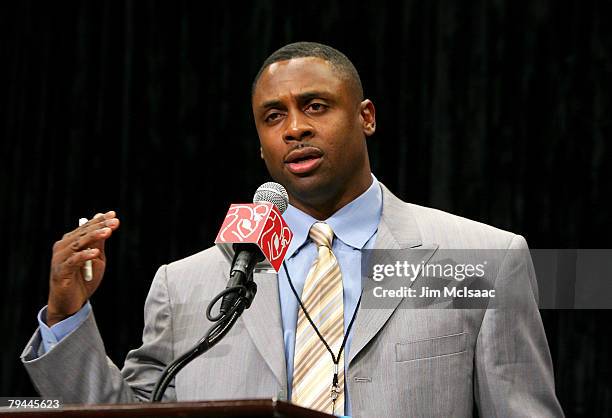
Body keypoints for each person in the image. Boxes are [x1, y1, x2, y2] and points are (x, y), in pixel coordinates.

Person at [21, 42, 564, 417]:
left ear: (366, 116)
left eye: (315, 106)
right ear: (260, 143)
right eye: (273, 117)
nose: (296, 128)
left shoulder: (480, 258)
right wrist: (68, 319)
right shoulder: (189, 285)